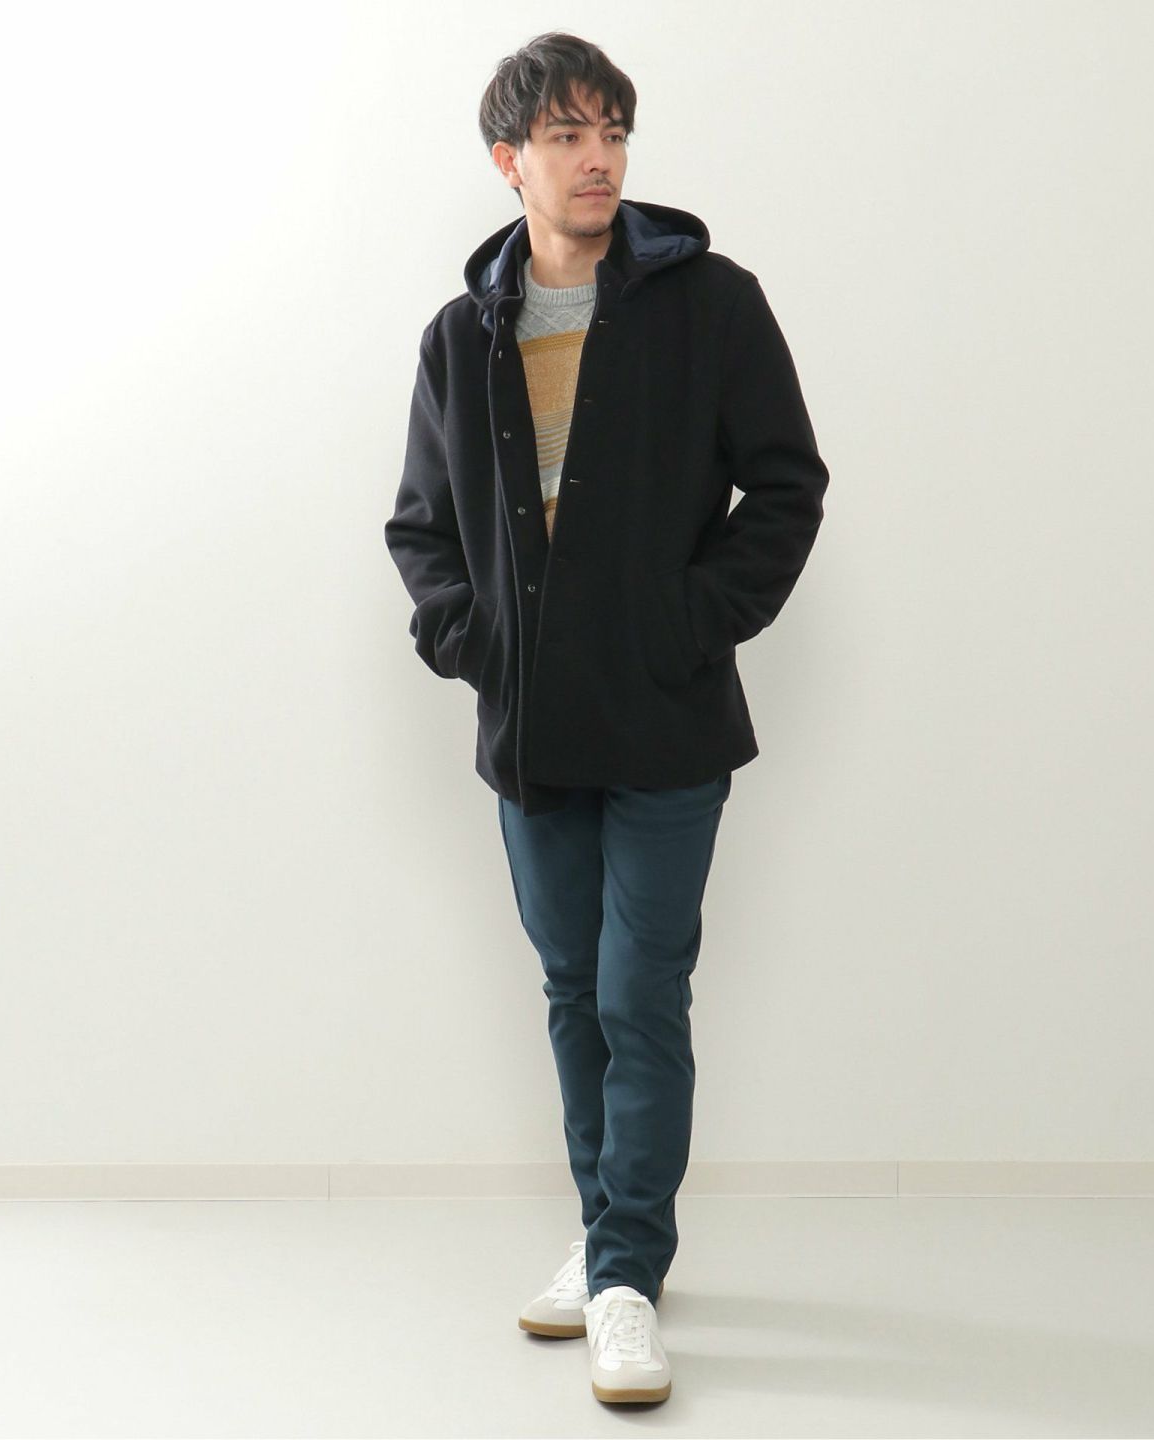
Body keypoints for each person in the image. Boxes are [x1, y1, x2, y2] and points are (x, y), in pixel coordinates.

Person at [384, 30, 830, 1406]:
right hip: (533, 730)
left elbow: (789, 486)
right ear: (508, 160)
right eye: (568, 134)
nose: (598, 158)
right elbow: (421, 530)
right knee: (574, 989)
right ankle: (607, 1236)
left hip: (669, 722)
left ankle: (628, 1273)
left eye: (614, 132)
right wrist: (474, 644)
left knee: (642, 993)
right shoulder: (463, 337)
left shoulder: (711, 303)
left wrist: (690, 623)